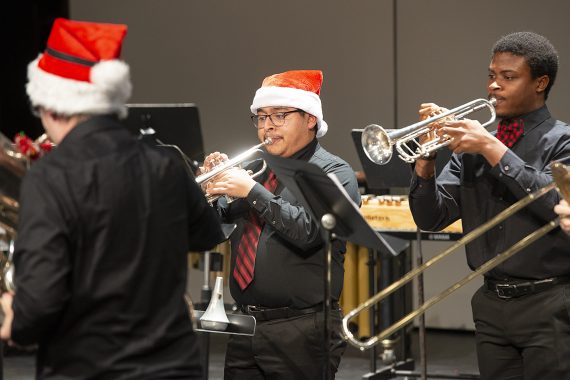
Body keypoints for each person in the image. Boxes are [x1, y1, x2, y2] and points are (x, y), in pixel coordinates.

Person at [0, 18, 225, 379]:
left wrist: (16, 316)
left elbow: (39, 303)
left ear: (51, 104)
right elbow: (207, 235)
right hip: (174, 366)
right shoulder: (166, 163)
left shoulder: (51, 174)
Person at [408, 31, 570, 380]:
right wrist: (426, 159)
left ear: (540, 82)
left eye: (508, 77)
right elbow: (431, 218)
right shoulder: (473, 143)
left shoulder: (562, 140)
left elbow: (557, 203)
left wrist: (493, 150)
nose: (494, 86)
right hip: (491, 304)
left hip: (552, 303)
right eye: (492, 75)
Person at [201, 70, 360, 379]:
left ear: (311, 118)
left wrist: (250, 191)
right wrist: (209, 195)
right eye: (260, 118)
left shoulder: (334, 172)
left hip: (301, 329)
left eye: (279, 116)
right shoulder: (254, 170)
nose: (267, 127)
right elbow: (213, 232)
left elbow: (310, 232)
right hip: (245, 325)